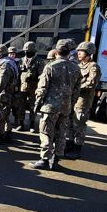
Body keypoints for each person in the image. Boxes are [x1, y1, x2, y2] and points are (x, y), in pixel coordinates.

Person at [30, 39, 81, 170]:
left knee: (46, 132)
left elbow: (42, 88)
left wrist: (36, 104)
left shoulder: (51, 67)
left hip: (50, 106)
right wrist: (71, 103)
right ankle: (56, 160)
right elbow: (77, 90)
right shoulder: (76, 68)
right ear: (69, 52)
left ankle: (45, 159)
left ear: (56, 51)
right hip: (66, 107)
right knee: (61, 133)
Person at [65, 41, 101, 160]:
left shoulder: (93, 67)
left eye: (82, 52)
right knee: (70, 123)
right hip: (73, 100)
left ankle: (77, 148)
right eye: (78, 51)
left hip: (83, 101)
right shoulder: (78, 65)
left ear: (89, 53)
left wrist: (76, 87)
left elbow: (91, 83)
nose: (79, 53)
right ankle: (69, 144)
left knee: (79, 125)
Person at [18, 41, 45, 132]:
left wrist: (34, 78)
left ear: (33, 51)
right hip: (22, 87)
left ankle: (32, 124)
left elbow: (42, 76)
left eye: (28, 51)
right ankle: (21, 123)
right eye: (25, 51)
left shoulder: (39, 61)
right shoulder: (21, 60)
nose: (26, 53)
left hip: (34, 88)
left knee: (33, 106)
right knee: (21, 106)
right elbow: (18, 74)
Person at [8, 46, 25, 131]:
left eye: (13, 54)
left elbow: (20, 76)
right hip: (8, 89)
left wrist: (17, 86)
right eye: (10, 54)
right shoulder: (6, 63)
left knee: (16, 107)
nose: (12, 56)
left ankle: (17, 123)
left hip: (16, 89)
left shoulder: (18, 63)